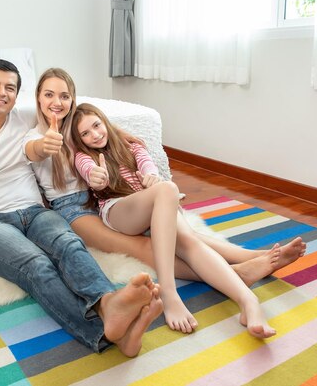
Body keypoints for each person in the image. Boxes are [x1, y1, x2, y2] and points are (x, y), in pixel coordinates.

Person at [0, 59, 162, 357]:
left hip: (35, 212)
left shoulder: (23, 117)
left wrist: (115, 131)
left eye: (10, 88)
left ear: (18, 95)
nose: (2, 93)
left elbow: (69, 112)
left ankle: (109, 304)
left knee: (70, 245)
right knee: (37, 265)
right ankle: (104, 335)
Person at [24, 68, 307, 290]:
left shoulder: (79, 128)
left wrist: (121, 136)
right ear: (38, 97)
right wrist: (47, 144)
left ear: (73, 99)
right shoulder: (34, 138)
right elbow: (35, 151)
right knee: (145, 247)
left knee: (183, 236)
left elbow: (112, 133)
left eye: (64, 95)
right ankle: (235, 274)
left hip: (104, 198)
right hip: (74, 210)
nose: (57, 102)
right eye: (49, 95)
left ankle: (253, 255)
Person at [70, 103, 281, 338]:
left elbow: (147, 165)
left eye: (96, 126)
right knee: (167, 189)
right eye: (85, 134)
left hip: (152, 202)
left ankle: (248, 301)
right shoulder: (83, 156)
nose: (95, 135)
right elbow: (89, 171)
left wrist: (151, 176)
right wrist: (97, 178)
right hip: (119, 210)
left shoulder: (130, 145)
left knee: (188, 240)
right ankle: (170, 294)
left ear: (104, 121)